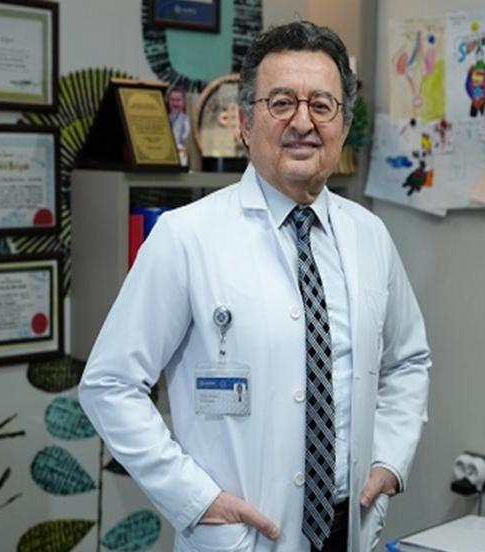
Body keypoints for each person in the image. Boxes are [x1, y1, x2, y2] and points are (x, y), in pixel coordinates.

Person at [79, 21, 431, 552]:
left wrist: (389, 461)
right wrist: (196, 499)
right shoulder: (185, 236)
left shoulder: (370, 235)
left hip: (349, 526)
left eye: (322, 105)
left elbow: (408, 360)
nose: (303, 122)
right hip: (241, 532)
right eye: (281, 103)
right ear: (245, 122)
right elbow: (110, 385)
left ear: (342, 124)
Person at [167, 86, 190, 165]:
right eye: (172, 100)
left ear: (183, 102)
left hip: (181, 158)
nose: (175, 103)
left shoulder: (187, 120)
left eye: (178, 100)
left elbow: (186, 141)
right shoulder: (164, 118)